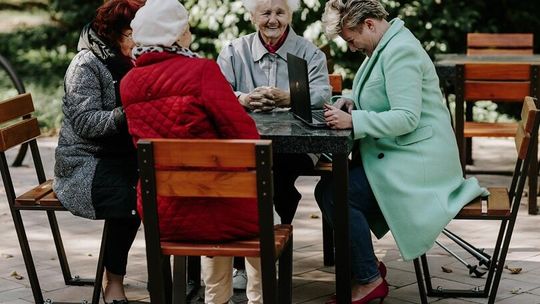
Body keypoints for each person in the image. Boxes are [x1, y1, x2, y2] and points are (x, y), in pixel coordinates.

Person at [316, 0, 489, 303]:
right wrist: (350, 100)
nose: (352, 47)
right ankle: (366, 265)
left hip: (419, 166)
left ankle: (369, 279)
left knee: (336, 194)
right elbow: (379, 92)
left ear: (369, 23)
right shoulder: (386, 44)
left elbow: (406, 116)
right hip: (401, 155)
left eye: (351, 39)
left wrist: (354, 120)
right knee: (329, 191)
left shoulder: (401, 51)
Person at [120, 0, 262, 303]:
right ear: (175, 34)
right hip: (222, 209)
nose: (189, 32)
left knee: (216, 198)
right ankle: (258, 298)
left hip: (163, 212)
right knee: (253, 201)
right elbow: (245, 137)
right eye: (185, 27)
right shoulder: (201, 71)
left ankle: (215, 300)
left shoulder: (128, 82)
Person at [217, 0, 331, 288]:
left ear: (290, 15)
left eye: (280, 12)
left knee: (276, 173)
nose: (273, 20)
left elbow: (323, 93)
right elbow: (218, 93)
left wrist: (289, 97)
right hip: (248, 143)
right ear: (253, 16)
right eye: (266, 13)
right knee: (244, 177)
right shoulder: (234, 51)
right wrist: (243, 98)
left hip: (298, 145)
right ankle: (247, 263)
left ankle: (267, 256)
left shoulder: (308, 51)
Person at [53, 0, 144, 303]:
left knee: (162, 182)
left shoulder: (130, 57)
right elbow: (85, 122)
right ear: (117, 32)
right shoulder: (86, 64)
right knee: (131, 197)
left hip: (117, 154)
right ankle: (113, 282)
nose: (142, 39)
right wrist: (130, 113)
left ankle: (174, 277)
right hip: (83, 163)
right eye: (136, 32)